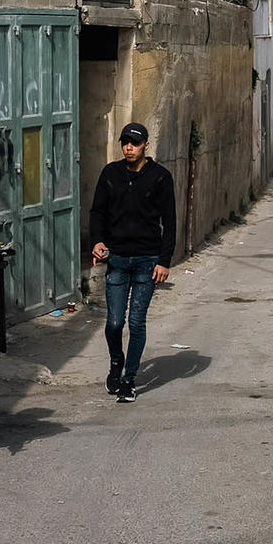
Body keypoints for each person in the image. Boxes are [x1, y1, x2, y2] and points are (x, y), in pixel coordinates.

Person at [90, 123, 177, 403]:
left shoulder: (161, 177)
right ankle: (117, 362)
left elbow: (170, 222)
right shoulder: (110, 174)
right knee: (115, 323)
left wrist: (164, 261)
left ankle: (129, 380)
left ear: (145, 146)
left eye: (134, 143)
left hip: (147, 259)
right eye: (125, 142)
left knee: (137, 323)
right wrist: (97, 242)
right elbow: (97, 211)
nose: (129, 147)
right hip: (116, 258)